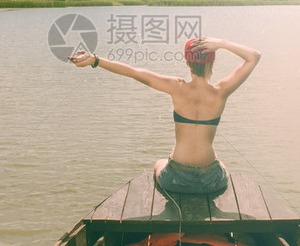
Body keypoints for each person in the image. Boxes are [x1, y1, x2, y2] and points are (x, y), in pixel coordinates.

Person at [68, 37, 261, 194]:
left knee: (159, 163)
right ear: (212, 61)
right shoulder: (221, 91)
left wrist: (95, 60)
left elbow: (133, 72)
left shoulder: (177, 88)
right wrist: (222, 43)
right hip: (211, 180)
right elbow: (254, 56)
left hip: (176, 178)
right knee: (222, 164)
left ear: (187, 62)